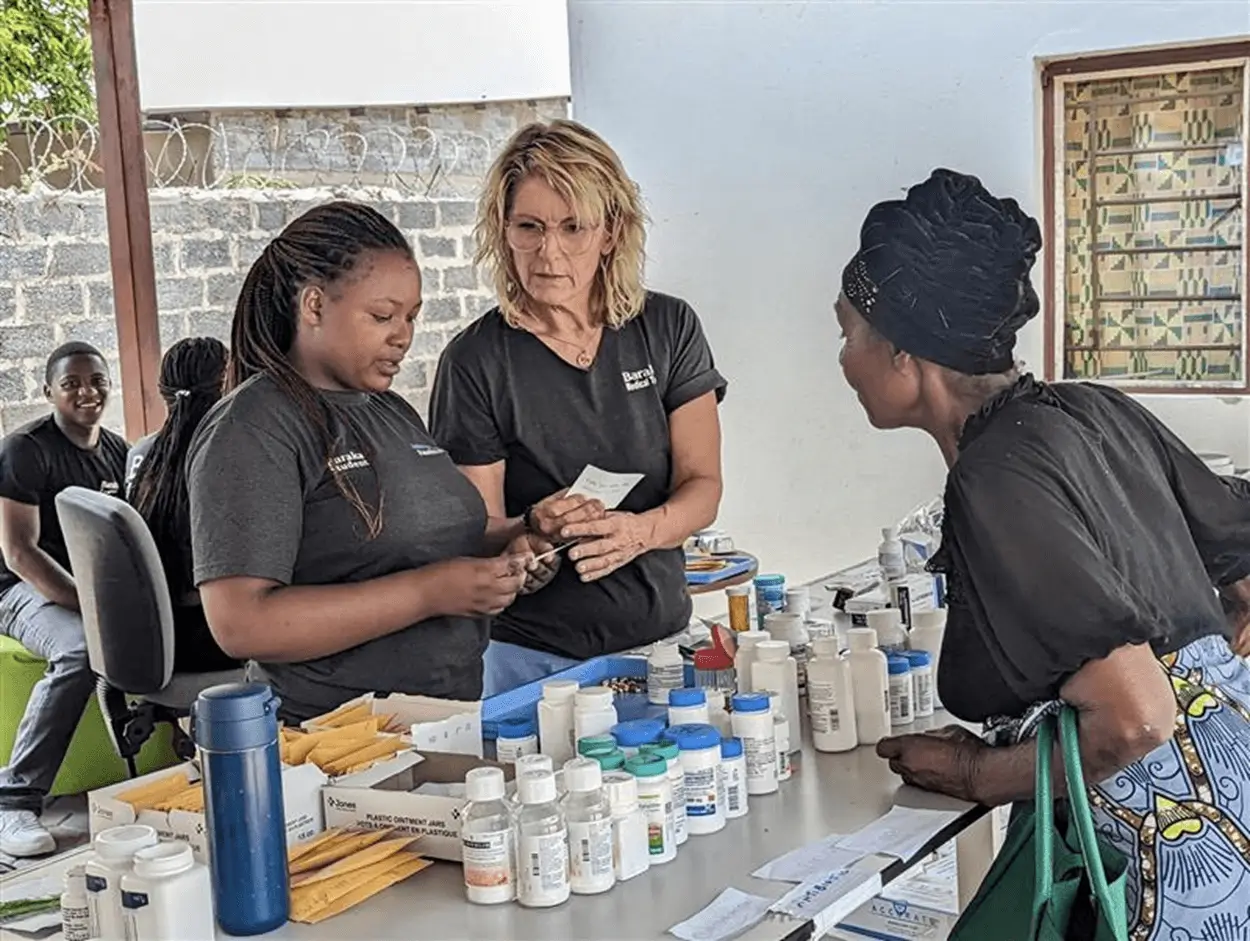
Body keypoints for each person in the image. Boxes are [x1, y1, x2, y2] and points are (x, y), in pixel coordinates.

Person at [836, 170, 1250, 935]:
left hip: (1187, 868)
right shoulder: (1090, 409)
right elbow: (1242, 561)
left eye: (849, 332)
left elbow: (1136, 721)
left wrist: (978, 775)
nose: (842, 357)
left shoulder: (995, 477)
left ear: (903, 355)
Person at [186, 201, 541, 723]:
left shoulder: (389, 410)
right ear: (313, 306)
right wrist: (431, 593)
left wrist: (515, 542)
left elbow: (419, 540)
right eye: (382, 316)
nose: (403, 335)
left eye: (411, 318)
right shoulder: (254, 427)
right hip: (333, 742)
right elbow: (242, 623)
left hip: (446, 720)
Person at [430, 119, 727, 696]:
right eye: (530, 227)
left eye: (573, 228)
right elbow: (477, 530)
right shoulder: (476, 361)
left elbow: (704, 485)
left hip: (661, 645)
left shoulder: (666, 328)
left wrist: (640, 532)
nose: (549, 252)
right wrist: (529, 537)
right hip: (533, 661)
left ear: (611, 232)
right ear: (503, 229)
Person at [0, 342, 128, 857]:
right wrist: (91, 606)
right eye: (71, 382)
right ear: (48, 390)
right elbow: (18, 552)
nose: (86, 392)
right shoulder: (25, 449)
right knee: (79, 650)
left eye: (96, 380)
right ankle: (13, 802)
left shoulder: (118, 450)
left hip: (88, 591)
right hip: (19, 591)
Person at [128, 337, 239, 674]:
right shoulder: (230, 461)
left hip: (154, 634)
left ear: (163, 391)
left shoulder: (142, 454)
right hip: (212, 639)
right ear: (229, 385)